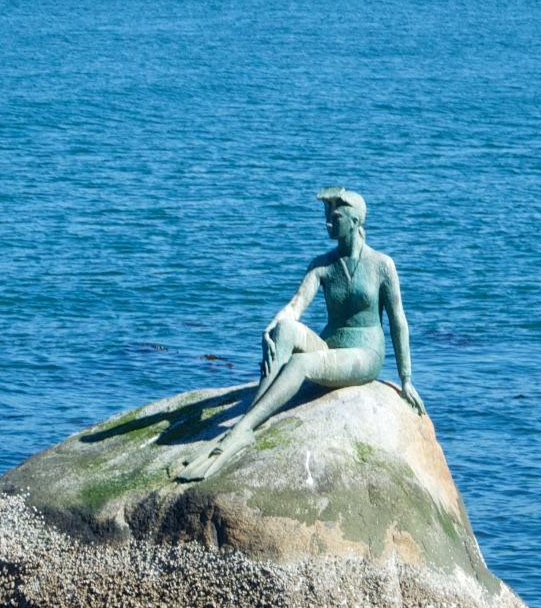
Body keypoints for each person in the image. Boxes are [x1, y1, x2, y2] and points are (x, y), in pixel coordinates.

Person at [174, 187, 423, 481]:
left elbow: (398, 321)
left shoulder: (382, 265)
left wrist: (405, 378)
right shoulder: (322, 265)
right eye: (326, 214)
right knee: (285, 331)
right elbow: (295, 307)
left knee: (300, 364)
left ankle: (242, 429)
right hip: (331, 346)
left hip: (365, 353)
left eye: (336, 215)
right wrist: (272, 327)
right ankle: (252, 418)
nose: (328, 220)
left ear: (356, 222)